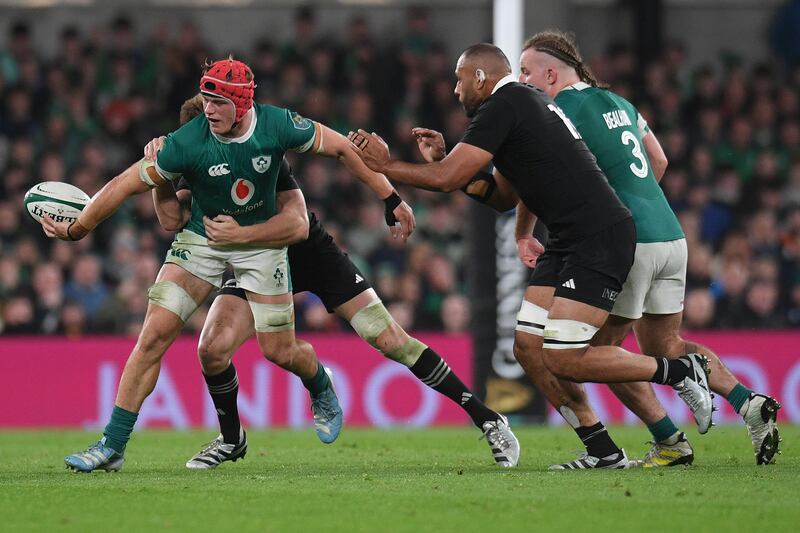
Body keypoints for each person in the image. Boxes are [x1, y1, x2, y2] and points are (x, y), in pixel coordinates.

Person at [349, 43, 715, 470]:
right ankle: (601, 449)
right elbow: (501, 195)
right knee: (528, 347)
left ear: (482, 78)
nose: (454, 89)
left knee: (564, 356)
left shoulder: (507, 104)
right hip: (567, 237)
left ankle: (681, 372)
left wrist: (386, 165)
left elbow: (446, 179)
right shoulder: (519, 105)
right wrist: (449, 161)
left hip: (598, 235)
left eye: (460, 78)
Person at [42, 57, 413, 473]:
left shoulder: (277, 125)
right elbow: (125, 184)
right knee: (154, 334)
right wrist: (79, 228)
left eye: (217, 102)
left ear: (242, 103)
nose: (209, 110)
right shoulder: (188, 141)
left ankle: (318, 382)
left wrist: (389, 196)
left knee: (279, 350)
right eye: (205, 100)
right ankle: (113, 444)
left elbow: (345, 148)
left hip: (260, 242)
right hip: (203, 237)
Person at [146, 94, 520, 469]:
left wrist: (389, 196)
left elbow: (341, 152)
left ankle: (488, 418)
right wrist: (157, 174)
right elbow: (173, 217)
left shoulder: (261, 144)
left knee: (391, 340)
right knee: (211, 348)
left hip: (308, 252)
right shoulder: (196, 162)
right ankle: (234, 438)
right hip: (256, 262)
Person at [515, 30, 780, 466]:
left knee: (595, 355)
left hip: (627, 242)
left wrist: (605, 218)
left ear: (550, 73)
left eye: (526, 71)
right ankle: (748, 401)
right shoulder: (621, 104)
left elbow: (536, 179)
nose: (523, 79)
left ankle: (669, 442)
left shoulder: (558, 110)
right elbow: (659, 160)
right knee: (665, 343)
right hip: (671, 236)